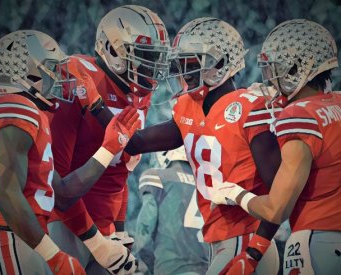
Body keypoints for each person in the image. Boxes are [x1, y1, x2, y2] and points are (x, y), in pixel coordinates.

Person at [210, 19, 341, 274]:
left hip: (316, 244)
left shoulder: (298, 115)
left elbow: (276, 210)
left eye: (277, 68)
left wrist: (236, 194)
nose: (271, 79)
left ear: (298, 67)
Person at [0, 30, 139, 275]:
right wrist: (55, 256)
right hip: (8, 238)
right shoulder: (16, 105)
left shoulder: (35, 115)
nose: (61, 77)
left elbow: (63, 193)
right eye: (52, 68)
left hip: (22, 239)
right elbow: (6, 193)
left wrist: (109, 147)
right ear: (28, 74)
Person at [126, 18, 282, 274]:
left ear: (219, 63)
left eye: (191, 62)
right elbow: (136, 141)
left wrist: (255, 249)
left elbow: (280, 194)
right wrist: (95, 108)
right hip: (220, 242)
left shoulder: (249, 107)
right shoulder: (188, 107)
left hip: (246, 239)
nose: (183, 70)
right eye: (181, 62)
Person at [47, 5, 170, 268]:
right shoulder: (78, 77)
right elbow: (57, 186)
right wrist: (94, 240)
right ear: (114, 50)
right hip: (64, 222)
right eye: (144, 56)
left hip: (106, 225)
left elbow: (120, 170)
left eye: (155, 56)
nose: (152, 67)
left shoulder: (140, 93)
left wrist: (119, 228)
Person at [133, 146, 209, 274]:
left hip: (170, 266)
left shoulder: (157, 177)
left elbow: (144, 234)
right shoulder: (206, 188)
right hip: (206, 269)